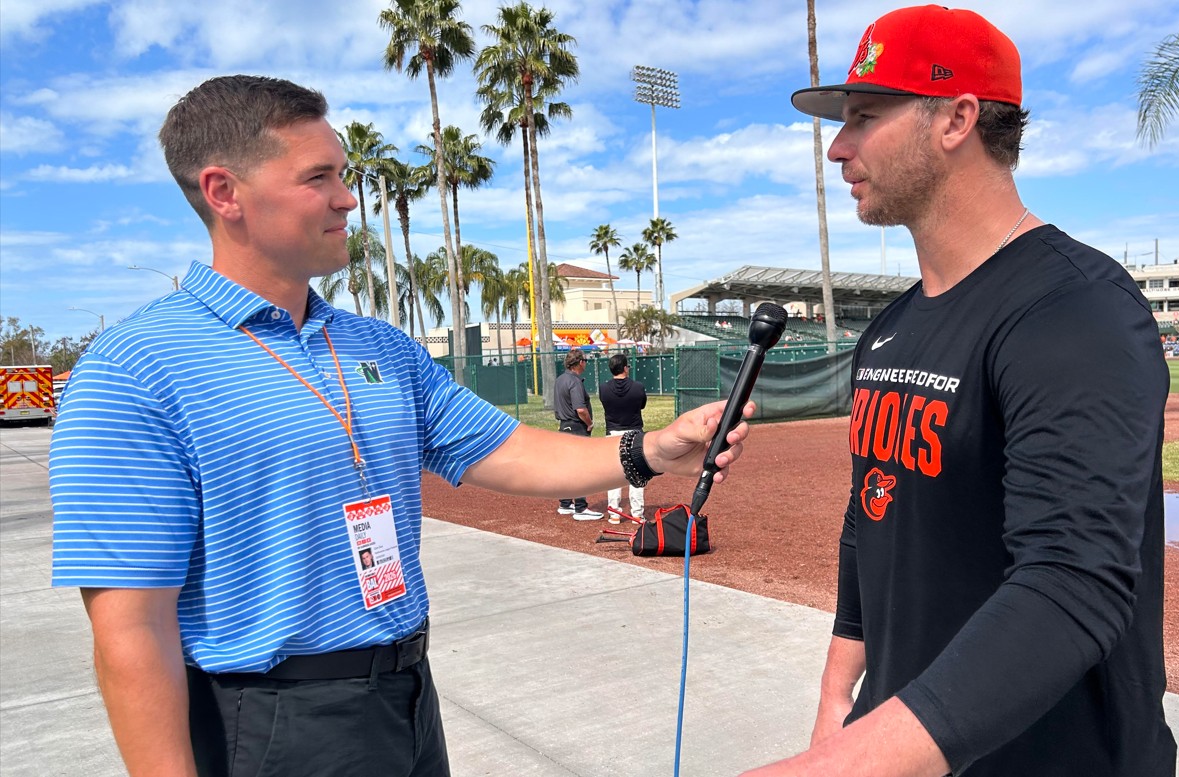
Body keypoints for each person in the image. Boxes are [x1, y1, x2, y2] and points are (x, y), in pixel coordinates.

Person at [48, 75, 752, 777]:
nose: (347, 198)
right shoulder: (134, 367)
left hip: (407, 693)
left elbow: (505, 448)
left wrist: (655, 449)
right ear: (224, 192)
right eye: (318, 177)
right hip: (272, 723)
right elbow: (130, 627)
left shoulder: (379, 346)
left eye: (342, 175)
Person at [746, 6, 1175, 776]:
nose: (838, 147)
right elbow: (869, 517)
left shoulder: (1075, 309)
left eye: (864, 117)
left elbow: (1071, 583)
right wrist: (837, 700)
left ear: (956, 118)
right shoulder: (890, 329)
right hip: (904, 749)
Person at [553, 348, 603, 520]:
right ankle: (581, 508)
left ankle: (565, 503)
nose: (586, 363)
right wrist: (589, 423)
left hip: (563, 426)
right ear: (580, 362)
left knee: (567, 467)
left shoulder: (560, 379)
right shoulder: (574, 381)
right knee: (580, 467)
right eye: (585, 360)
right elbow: (580, 409)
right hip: (576, 427)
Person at [598, 353, 648, 522]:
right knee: (637, 472)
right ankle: (637, 514)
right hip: (634, 433)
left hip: (613, 433)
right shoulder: (638, 387)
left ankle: (614, 514)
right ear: (625, 368)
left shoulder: (603, 388)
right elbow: (642, 405)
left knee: (614, 474)